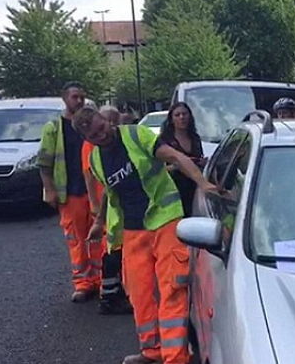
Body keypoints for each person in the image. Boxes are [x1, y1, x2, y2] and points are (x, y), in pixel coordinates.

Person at [72, 106, 217, 364]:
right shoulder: (96, 159)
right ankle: (151, 351)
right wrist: (99, 222)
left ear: (105, 120)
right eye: (95, 135)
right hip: (133, 229)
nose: (102, 135)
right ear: (88, 139)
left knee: (172, 288)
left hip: (164, 220)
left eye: (103, 127)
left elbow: (176, 157)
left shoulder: (136, 136)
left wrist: (202, 183)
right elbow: (109, 190)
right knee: (138, 293)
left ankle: (175, 358)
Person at [38, 81, 102, 303]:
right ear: (64, 98)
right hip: (71, 192)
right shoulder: (54, 128)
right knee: (77, 239)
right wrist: (50, 190)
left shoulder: (89, 125)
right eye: (75, 96)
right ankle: (83, 282)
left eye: (82, 96)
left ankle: (102, 280)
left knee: (99, 237)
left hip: (95, 190)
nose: (79, 100)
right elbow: (44, 163)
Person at [81, 104, 132, 315]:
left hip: (114, 204)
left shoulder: (112, 141)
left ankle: (113, 292)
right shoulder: (93, 146)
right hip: (110, 207)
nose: (111, 127)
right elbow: (89, 175)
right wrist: (96, 209)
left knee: (114, 252)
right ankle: (109, 296)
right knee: (111, 253)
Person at [159, 103, 206, 217]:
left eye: (184, 114)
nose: (182, 117)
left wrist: (202, 162)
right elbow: (157, 169)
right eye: (177, 115)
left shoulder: (195, 138)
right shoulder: (164, 140)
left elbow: (198, 159)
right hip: (173, 190)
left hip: (193, 189)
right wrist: (176, 165)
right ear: (171, 119)